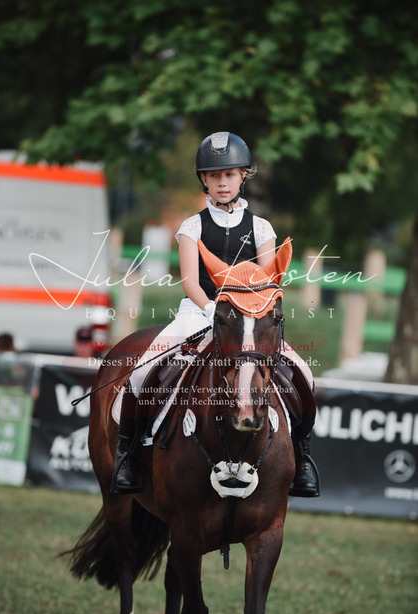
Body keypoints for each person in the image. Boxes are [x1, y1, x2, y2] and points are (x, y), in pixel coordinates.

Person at [111, 131, 319, 497]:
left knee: (304, 373)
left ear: (243, 176)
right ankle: (128, 455)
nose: (222, 182)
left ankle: (301, 458)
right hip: (198, 312)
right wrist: (213, 312)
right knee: (142, 370)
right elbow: (190, 282)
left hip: (249, 319)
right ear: (204, 180)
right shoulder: (191, 227)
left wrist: (246, 315)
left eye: (230, 174)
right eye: (214, 175)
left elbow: (267, 282)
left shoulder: (261, 228)